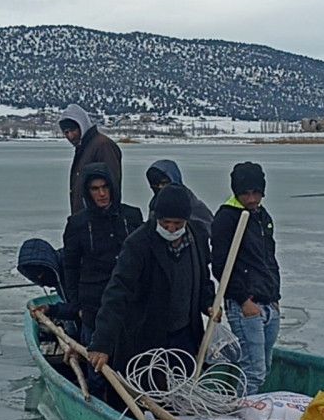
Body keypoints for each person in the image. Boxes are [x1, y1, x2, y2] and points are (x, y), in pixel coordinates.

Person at [88, 185, 215, 379]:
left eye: (177, 224)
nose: (171, 229)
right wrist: (102, 343)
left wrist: (209, 304)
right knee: (147, 392)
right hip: (147, 336)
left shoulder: (197, 237)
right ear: (156, 217)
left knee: (183, 390)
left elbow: (203, 278)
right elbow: (117, 292)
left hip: (185, 334)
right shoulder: (138, 244)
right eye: (165, 223)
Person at [50, 162, 143, 343]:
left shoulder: (131, 216)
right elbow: (70, 267)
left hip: (130, 302)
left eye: (105, 187)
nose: (101, 194)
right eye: (95, 189)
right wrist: (76, 305)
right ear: (87, 192)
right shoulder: (77, 224)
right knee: (96, 361)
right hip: (94, 306)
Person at [211, 162, 281, 395]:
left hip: (267, 302)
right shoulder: (227, 218)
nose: (251, 199)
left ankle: (253, 412)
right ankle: (242, 417)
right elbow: (221, 266)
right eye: (245, 194)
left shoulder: (261, 216)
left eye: (256, 193)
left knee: (265, 367)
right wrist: (243, 300)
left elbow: (268, 258)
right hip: (246, 306)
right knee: (253, 371)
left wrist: (274, 297)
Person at [59, 104, 122, 215]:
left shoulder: (103, 146)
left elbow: (112, 185)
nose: (70, 136)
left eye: (73, 130)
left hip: (99, 222)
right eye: (66, 132)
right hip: (84, 221)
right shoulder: (84, 148)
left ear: (82, 125)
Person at [145, 159, 214, 232]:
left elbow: (208, 227)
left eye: (164, 183)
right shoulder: (155, 203)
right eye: (155, 185)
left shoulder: (188, 201)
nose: (160, 188)